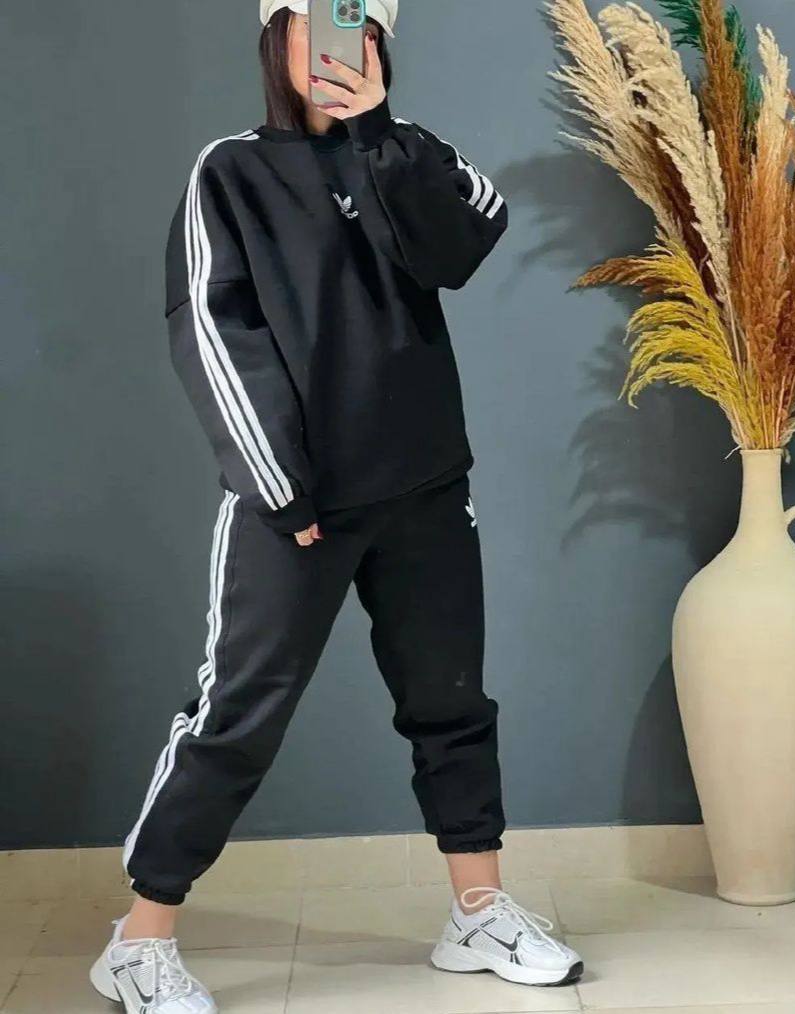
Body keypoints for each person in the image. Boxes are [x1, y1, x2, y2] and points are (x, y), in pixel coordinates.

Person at [90, 2, 583, 1009]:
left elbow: (458, 248)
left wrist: (376, 134)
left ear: (379, 43)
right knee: (235, 718)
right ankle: (137, 941)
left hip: (425, 487)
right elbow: (212, 332)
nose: (328, 45)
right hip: (296, 503)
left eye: (352, 23)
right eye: (308, 21)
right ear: (274, 37)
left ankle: (476, 910)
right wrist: (279, 484)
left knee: (451, 704)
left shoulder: (411, 152)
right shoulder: (228, 173)